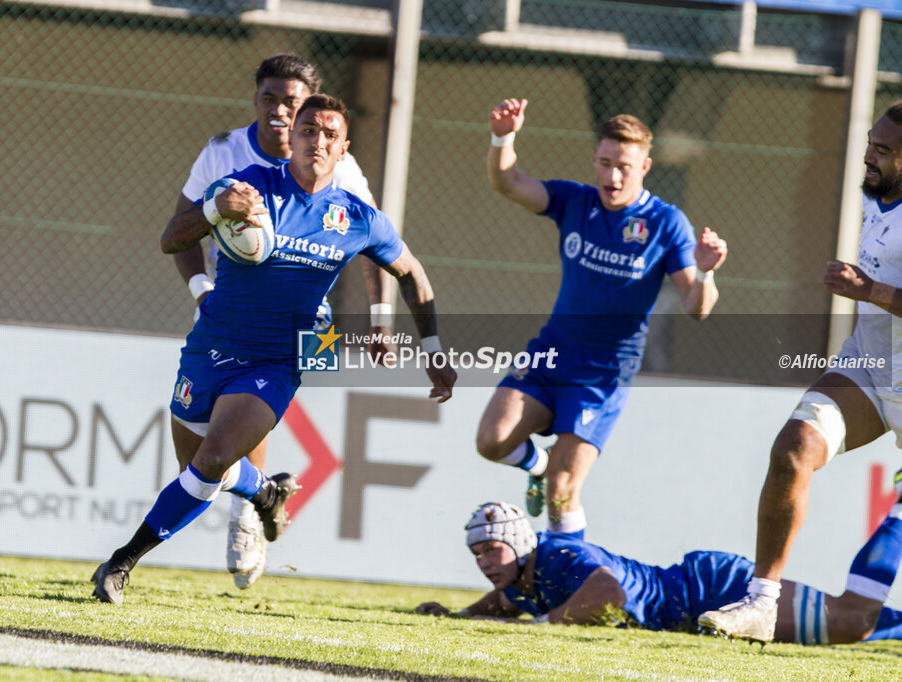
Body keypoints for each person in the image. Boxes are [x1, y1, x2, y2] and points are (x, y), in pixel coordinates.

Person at [91, 94, 457, 605]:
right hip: (213, 345)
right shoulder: (245, 185)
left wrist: (431, 348)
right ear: (293, 138)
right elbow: (171, 240)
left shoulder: (357, 216)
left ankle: (119, 563)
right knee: (198, 468)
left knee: (213, 459)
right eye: (309, 130)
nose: (318, 141)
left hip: (280, 359)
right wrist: (217, 209)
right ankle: (265, 492)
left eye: (331, 134)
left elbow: (412, 274)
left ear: (344, 149)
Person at [169, 54, 396, 589]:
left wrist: (380, 320)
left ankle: (246, 516)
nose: (279, 111)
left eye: (290, 102)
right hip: (230, 313)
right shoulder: (224, 151)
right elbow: (180, 230)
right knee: (198, 456)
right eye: (269, 98)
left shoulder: (335, 159)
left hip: (307, 318)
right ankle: (260, 492)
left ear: (306, 111)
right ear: (257, 100)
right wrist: (202, 291)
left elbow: (375, 245)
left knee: (264, 372)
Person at [476, 98, 728, 537]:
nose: (613, 176)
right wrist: (503, 136)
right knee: (492, 440)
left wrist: (705, 272)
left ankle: (565, 588)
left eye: (624, 167)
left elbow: (697, 307)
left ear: (645, 166)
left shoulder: (666, 223)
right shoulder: (575, 201)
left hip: (604, 370)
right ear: (593, 159)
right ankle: (535, 466)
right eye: (606, 163)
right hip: (553, 350)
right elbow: (507, 182)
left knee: (562, 491)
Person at [699, 101, 902, 643]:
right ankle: (761, 604)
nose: (868, 156)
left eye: (882, 150)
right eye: (870, 143)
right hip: (869, 364)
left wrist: (869, 291)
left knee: (863, 606)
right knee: (793, 449)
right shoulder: (875, 195)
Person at [416, 501, 902, 645]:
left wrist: (543, 626)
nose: (484, 562)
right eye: (476, 554)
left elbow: (610, 593)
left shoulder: (558, 555)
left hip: (710, 589)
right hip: (695, 599)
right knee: (850, 622)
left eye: (491, 550)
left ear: (519, 543)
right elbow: (503, 603)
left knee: (850, 622)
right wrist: (459, 615)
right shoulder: (520, 576)